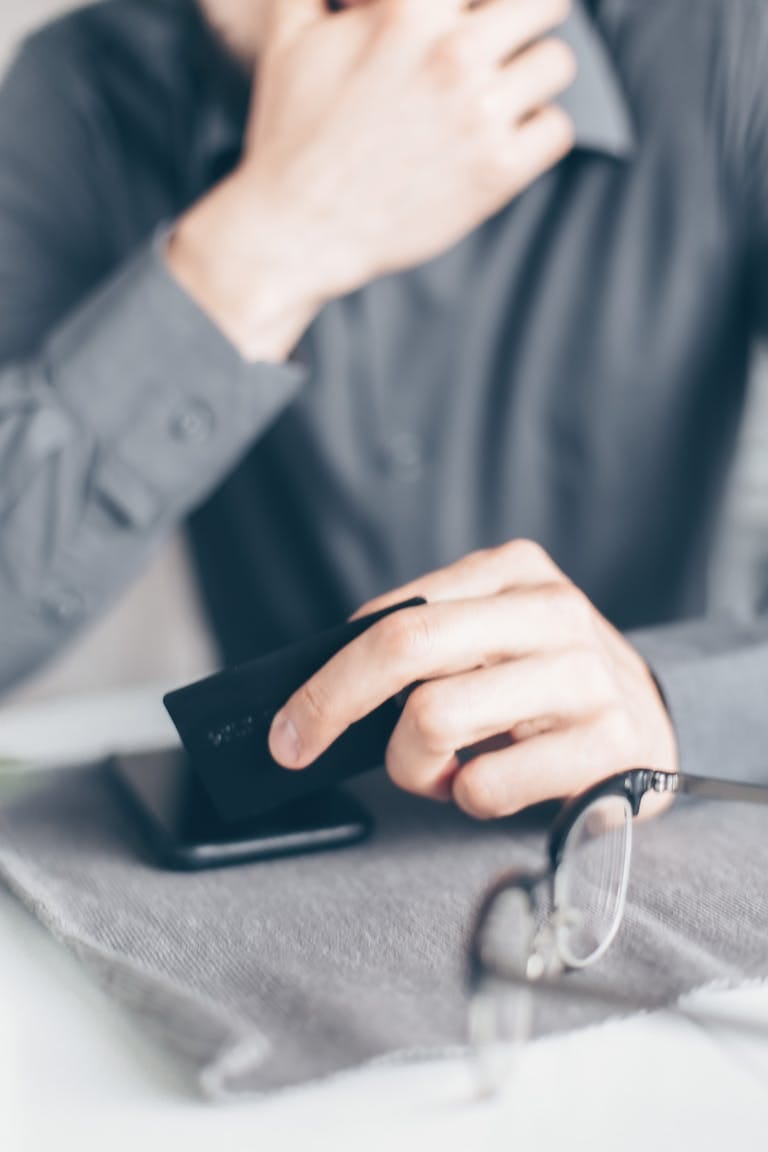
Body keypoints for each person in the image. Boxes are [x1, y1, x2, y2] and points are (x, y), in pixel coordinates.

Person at [1, 0, 766, 820]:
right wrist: (279, 230)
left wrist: (669, 699)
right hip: (265, 862)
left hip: (652, 842)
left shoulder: (729, 45)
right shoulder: (83, 89)